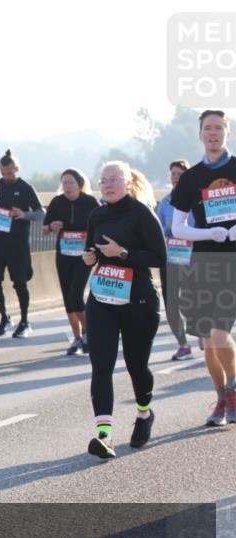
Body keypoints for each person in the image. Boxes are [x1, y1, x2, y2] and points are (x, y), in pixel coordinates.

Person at [83, 162, 165, 459]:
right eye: (103, 181)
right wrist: (90, 258)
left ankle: (144, 413)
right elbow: (91, 252)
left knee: (136, 365)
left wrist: (123, 253)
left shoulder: (142, 214)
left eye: (113, 180)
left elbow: (160, 257)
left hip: (138, 301)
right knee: (101, 365)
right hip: (103, 298)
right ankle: (104, 435)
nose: (107, 185)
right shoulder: (97, 215)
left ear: (128, 182)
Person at [170, 109, 236, 426]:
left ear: (227, 132)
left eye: (219, 127)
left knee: (220, 334)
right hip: (203, 265)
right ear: (200, 134)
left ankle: (233, 392)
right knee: (208, 342)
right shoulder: (191, 178)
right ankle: (221, 400)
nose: (213, 132)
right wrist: (209, 233)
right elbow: (177, 227)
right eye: (208, 128)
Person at [0, 149, 45, 338]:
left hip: (18, 244)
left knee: (20, 283)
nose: (7, 177)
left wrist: (24, 214)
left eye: (10, 173)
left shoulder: (26, 188)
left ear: (17, 169)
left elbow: (41, 212)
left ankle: (25, 321)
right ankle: (4, 317)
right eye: (4, 173)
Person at [43, 169, 101, 355]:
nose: (67, 187)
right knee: (67, 298)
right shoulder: (57, 202)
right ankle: (77, 338)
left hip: (84, 256)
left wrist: (92, 239)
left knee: (75, 294)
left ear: (79, 184)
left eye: (71, 183)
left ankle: (89, 332)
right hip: (64, 254)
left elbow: (101, 225)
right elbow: (44, 229)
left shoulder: (90, 202)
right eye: (64, 183)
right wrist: (51, 226)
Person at [156, 160, 195, 361]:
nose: (176, 177)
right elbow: (158, 231)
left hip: (193, 260)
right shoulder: (164, 203)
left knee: (191, 303)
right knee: (171, 305)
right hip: (170, 260)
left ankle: (203, 334)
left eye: (180, 173)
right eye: (173, 173)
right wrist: (169, 231)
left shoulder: (197, 200)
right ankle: (183, 345)